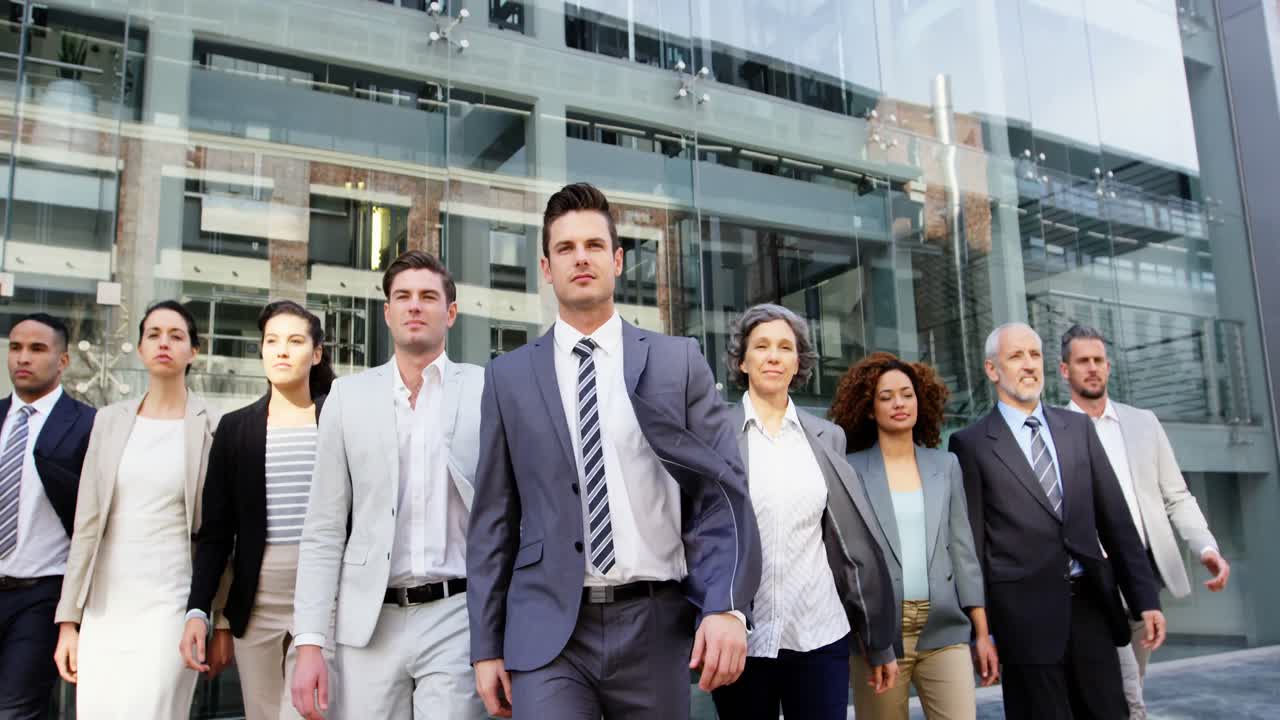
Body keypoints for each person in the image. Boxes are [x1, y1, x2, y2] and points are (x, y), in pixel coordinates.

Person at [468, 182, 761, 720]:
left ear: (619, 260)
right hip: (548, 632)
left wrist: (727, 605)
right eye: (565, 248)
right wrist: (486, 646)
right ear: (546, 267)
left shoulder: (679, 362)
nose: (581, 257)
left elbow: (722, 495)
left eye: (594, 245)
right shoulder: (507, 377)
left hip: (655, 625)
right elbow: (492, 520)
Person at [291, 251, 486, 720]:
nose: (414, 306)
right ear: (387, 312)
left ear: (451, 312)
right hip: (369, 623)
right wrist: (310, 642)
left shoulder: (489, 390)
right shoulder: (347, 398)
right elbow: (323, 528)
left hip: (457, 615)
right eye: (403, 296)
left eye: (428, 296)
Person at [947, 322, 1164, 719]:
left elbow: (1115, 520)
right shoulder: (971, 445)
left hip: (1092, 611)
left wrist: (1145, 599)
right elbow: (972, 549)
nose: (1029, 365)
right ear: (992, 370)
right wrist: (982, 631)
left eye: (1034, 355)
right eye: (1016, 356)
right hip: (1022, 622)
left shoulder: (1077, 428)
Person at [713, 304, 897, 720]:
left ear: (799, 362)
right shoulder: (716, 434)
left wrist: (878, 641)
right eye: (761, 346)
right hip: (742, 637)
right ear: (742, 360)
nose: (774, 356)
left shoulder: (828, 437)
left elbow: (846, 545)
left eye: (785, 347)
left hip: (819, 633)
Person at [52, 300, 219, 718]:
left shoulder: (212, 425)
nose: (164, 343)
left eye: (176, 336)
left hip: (171, 603)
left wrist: (221, 619)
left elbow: (219, 532)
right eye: (154, 335)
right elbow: (86, 525)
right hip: (105, 605)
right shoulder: (108, 421)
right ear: (141, 348)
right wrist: (69, 621)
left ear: (194, 351)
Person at [1059, 323, 1230, 719]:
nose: (1092, 368)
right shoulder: (1055, 429)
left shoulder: (1143, 423)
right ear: (1065, 370)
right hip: (1089, 582)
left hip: (1141, 578)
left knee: (1129, 682)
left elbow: (1177, 496)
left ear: (1109, 366)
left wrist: (1205, 548)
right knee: (1126, 696)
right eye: (1083, 361)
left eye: (1099, 360)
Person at [181, 300, 336, 720]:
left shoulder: (339, 419)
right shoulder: (235, 428)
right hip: (258, 604)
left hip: (328, 602)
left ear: (317, 353)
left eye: (295, 341)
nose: (282, 351)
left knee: (316, 713)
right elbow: (216, 531)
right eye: (272, 341)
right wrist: (201, 610)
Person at [832, 351, 995, 720]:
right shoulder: (850, 470)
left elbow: (964, 553)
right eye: (886, 397)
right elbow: (847, 558)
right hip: (879, 638)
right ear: (870, 409)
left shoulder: (945, 465)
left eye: (906, 394)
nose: (899, 403)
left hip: (945, 630)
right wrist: (867, 638)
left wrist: (982, 633)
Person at [0, 313, 95, 719]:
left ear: (63, 360)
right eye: (16, 347)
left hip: (42, 595)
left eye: (37, 349)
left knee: (15, 710)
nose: (23, 357)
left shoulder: (89, 424)